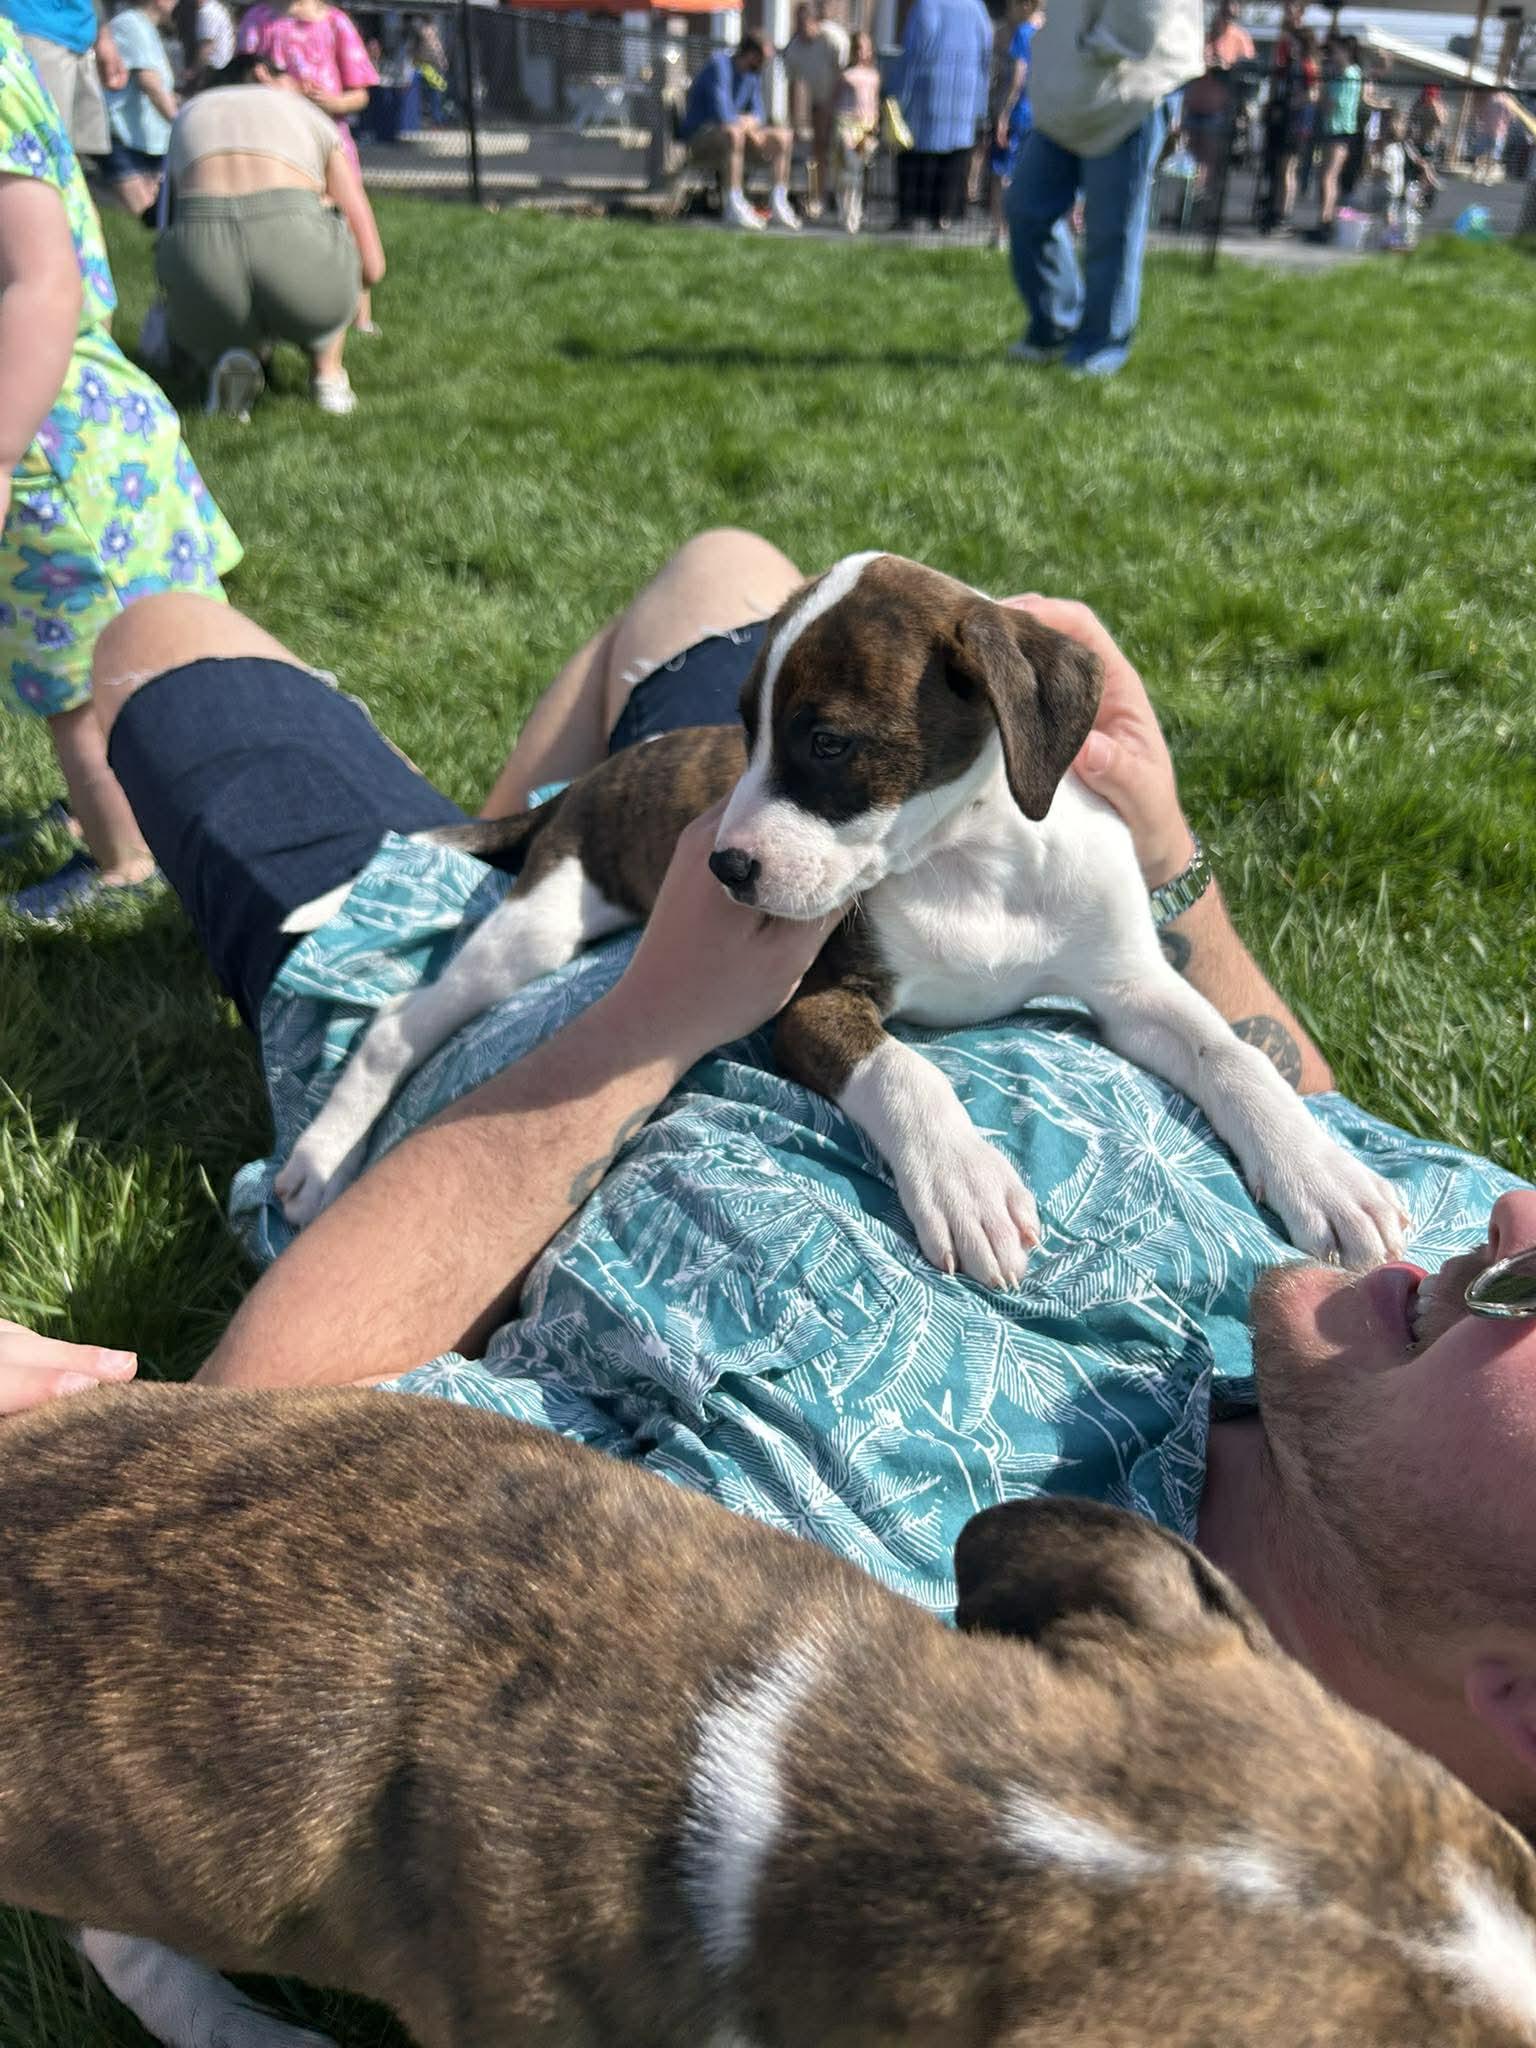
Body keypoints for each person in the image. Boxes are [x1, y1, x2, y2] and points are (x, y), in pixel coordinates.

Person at [15, 524, 1532, 1831]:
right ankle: (535, 822)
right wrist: (1168, 855)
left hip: (461, 1005)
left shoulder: (904, 1592)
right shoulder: (1416, 1287)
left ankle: (465, 849)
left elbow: (229, 1478)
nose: (1519, 1220)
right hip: (773, 822)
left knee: (155, 633)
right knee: (721, 571)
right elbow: (1314, 1107)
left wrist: (654, 1016)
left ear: (1513, 1702)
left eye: (1533, 1290)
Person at [0, 15, 242, 920]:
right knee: (153, 652)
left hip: (53, 450)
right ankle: (110, 811)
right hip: (85, 432)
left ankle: (124, 863)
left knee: (81, 692)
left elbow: (39, 279)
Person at [157, 49, 387, 417]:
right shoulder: (308, 115)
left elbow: (166, 223)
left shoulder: (189, 115)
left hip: (203, 285)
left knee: (214, 267)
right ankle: (326, 374)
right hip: (302, 271)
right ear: (263, 73)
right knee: (335, 221)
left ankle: (230, 353)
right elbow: (370, 258)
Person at [1004, 0, 1201, 375]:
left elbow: (1146, 18)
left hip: (1131, 86)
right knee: (1026, 206)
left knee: (1111, 230)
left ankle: (1100, 348)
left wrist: (1100, 44)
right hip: (1070, 85)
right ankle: (1055, 325)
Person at [236, 0, 381, 325]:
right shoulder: (258, 21)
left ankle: (361, 319)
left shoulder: (334, 23)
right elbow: (239, 78)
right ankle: (284, 310)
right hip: (277, 145)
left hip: (331, 144)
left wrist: (333, 102)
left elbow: (361, 93)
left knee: (348, 224)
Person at [678, 33, 798, 233]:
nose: (765, 64)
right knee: (733, 134)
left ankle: (778, 201)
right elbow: (722, 114)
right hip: (700, 138)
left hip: (737, 135)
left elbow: (759, 113)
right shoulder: (719, 66)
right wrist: (750, 129)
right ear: (751, 54)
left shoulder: (752, 76)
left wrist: (750, 125)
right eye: (763, 59)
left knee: (782, 137)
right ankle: (733, 202)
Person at [891, 0, 991, 231]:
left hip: (928, 91)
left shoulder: (927, 6)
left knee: (917, 154)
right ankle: (945, 214)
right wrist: (980, 102)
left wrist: (899, 94)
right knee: (955, 156)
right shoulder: (976, 8)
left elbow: (913, 53)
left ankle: (912, 214)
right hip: (966, 93)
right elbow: (985, 55)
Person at [0, 0, 124, 159]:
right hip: (29, 28)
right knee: (31, 158)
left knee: (70, 163)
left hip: (80, 35)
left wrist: (103, 34)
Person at [102, 0, 178, 214]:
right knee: (146, 217)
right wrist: (181, 122)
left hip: (149, 141)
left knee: (155, 221)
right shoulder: (129, 24)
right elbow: (149, 82)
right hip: (125, 139)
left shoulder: (147, 28)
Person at [781, 2, 849, 219]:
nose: (801, 28)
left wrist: (832, 105)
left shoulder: (833, 39)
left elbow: (844, 75)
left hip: (845, 103)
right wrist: (793, 122)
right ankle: (820, 197)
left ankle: (844, 199)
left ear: (815, 21)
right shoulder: (795, 48)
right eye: (798, 23)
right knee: (818, 148)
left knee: (843, 151)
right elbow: (793, 85)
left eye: (805, 23)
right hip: (820, 102)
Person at [987, 0, 1040, 252]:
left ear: (1026, 5)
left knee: (1002, 173)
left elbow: (1018, 77)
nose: (1008, 12)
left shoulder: (1023, 32)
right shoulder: (1047, 30)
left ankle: (1001, 231)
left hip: (1020, 111)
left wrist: (1004, 113)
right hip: (1041, 111)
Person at [1311, 32, 1360, 237]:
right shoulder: (1344, 72)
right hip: (1332, 129)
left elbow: (1332, 103)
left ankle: (1326, 220)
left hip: (1339, 130)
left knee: (1329, 176)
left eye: (1336, 51)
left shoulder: (1348, 74)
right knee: (1326, 175)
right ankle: (1325, 218)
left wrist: (1321, 97)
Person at [833, 28, 881, 233]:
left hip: (866, 126)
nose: (863, 52)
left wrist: (875, 122)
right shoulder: (846, 76)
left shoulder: (874, 76)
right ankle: (845, 208)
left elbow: (874, 101)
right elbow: (836, 101)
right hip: (847, 124)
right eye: (860, 48)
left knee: (858, 172)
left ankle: (855, 211)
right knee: (848, 170)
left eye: (867, 48)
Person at [192, 0, 234, 81]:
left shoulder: (207, 12)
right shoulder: (216, 7)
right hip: (223, 66)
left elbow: (207, 45)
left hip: (215, 70)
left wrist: (194, 70)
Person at [1204, 0, 1251, 72]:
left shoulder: (1240, 36)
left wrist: (1227, 65)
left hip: (1228, 78)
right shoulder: (1208, 37)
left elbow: (1247, 64)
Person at [1406, 81, 1444, 163]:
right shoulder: (1419, 104)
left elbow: (1442, 121)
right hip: (1418, 142)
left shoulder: (1438, 106)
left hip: (1431, 142)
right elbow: (1411, 119)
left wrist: (1435, 107)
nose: (1429, 98)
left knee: (1428, 163)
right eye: (1427, 95)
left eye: (1431, 95)